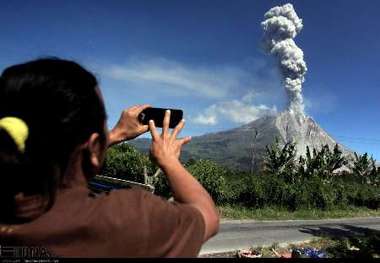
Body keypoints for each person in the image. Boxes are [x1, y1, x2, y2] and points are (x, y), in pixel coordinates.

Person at [0, 58, 219, 257]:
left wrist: (113, 135)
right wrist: (169, 159)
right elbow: (206, 216)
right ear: (94, 147)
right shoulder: (125, 218)